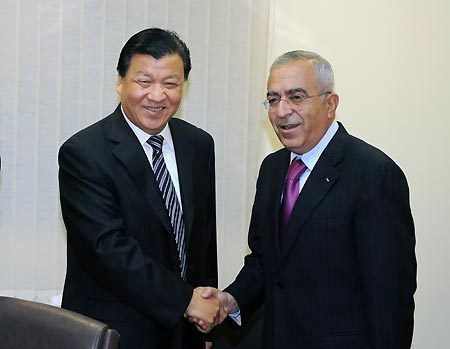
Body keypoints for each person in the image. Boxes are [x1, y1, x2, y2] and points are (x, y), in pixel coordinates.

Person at [195, 50, 417, 348]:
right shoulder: (273, 169)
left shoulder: (373, 174)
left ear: (330, 104)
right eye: (273, 99)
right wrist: (231, 300)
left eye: (296, 97)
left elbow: (389, 296)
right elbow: (266, 260)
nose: (282, 110)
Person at [58, 28, 220, 349]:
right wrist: (187, 301)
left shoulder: (198, 144)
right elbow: (109, 250)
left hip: (184, 331)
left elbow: (202, 238)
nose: (157, 95)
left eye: (170, 83)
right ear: (121, 82)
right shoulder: (84, 152)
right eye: (144, 81)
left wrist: (206, 310)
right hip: (116, 333)